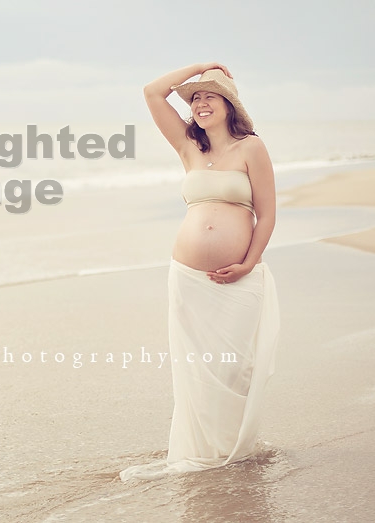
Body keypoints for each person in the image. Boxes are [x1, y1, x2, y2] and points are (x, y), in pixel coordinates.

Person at [120, 62, 281, 481]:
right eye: (195, 98)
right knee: (195, 367)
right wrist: (200, 68)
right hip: (188, 278)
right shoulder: (189, 147)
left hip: (240, 277)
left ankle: (230, 448)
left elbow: (266, 214)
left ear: (229, 105)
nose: (201, 103)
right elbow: (153, 92)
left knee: (234, 366)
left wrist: (250, 262)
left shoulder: (251, 148)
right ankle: (200, 451)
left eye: (210, 95)